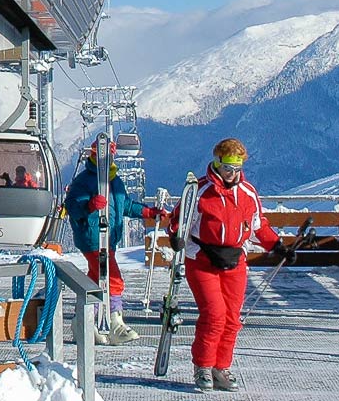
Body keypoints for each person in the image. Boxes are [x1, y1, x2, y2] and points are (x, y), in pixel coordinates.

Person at [180, 138, 290, 392]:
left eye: (237, 168)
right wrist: (177, 237)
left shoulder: (247, 193)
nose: (232, 174)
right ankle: (203, 366)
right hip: (203, 260)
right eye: (228, 168)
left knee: (232, 318)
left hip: (234, 260)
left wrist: (276, 246)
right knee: (214, 314)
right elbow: (180, 220)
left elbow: (257, 224)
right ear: (217, 163)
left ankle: (221, 366)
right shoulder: (201, 191)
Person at [63, 146, 157, 345]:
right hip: (93, 237)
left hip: (109, 238)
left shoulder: (115, 181)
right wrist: (88, 206)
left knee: (95, 281)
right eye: (102, 155)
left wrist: (147, 212)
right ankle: (114, 321)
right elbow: (72, 206)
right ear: (94, 156)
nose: (107, 159)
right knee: (112, 278)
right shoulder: (85, 180)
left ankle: (85, 321)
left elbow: (125, 205)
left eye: (109, 155)